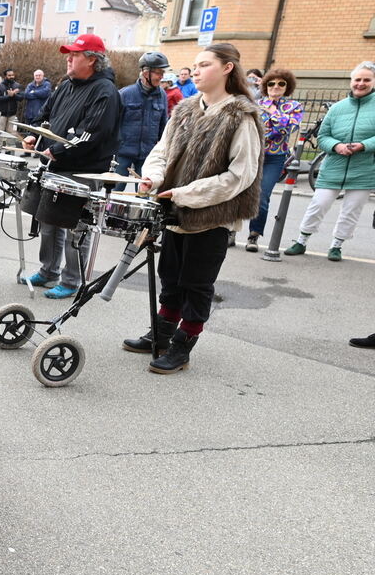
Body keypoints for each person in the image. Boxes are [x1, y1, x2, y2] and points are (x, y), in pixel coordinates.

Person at [123, 43, 262, 373]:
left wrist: (185, 193)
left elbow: (240, 175)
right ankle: (161, 334)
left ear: (227, 68)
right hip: (174, 210)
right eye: (194, 65)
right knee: (170, 277)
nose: (195, 70)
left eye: (204, 64)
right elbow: (161, 151)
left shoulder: (240, 115)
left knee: (196, 284)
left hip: (212, 216)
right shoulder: (184, 109)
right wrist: (152, 178)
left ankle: (183, 345)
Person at [20, 33, 123, 300]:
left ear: (92, 60)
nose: (69, 59)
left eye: (75, 55)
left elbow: (91, 133)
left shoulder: (106, 92)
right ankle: (48, 270)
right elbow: (46, 113)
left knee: (75, 227)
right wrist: (34, 133)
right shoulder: (67, 84)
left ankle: (71, 280)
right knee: (48, 221)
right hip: (56, 165)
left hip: (85, 169)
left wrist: (56, 150)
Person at [283, 61, 375, 262]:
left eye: (366, 80)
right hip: (333, 166)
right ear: (351, 81)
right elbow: (323, 136)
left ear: (373, 82)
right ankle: (301, 240)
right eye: (357, 79)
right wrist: (336, 146)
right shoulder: (337, 108)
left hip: (364, 169)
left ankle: (336, 246)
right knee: (318, 204)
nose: (361, 83)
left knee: (351, 211)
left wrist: (363, 145)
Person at [245, 68, 302, 251]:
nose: (275, 87)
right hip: (251, 154)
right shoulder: (255, 104)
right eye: (271, 83)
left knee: (262, 196)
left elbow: (287, 129)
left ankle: (254, 234)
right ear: (265, 85)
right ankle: (231, 231)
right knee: (240, 192)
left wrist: (271, 110)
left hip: (274, 158)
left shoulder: (294, 107)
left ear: (287, 87)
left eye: (281, 83)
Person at [114, 52, 170, 188]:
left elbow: (164, 126)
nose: (162, 77)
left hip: (148, 155)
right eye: (158, 73)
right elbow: (113, 125)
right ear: (146, 73)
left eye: (163, 72)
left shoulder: (162, 95)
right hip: (123, 153)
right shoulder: (125, 94)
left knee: (143, 195)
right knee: (116, 192)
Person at [0, 67, 21, 132]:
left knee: (10, 133)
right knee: (0, 132)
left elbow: (21, 98)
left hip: (12, 114)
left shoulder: (17, 85)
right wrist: (9, 96)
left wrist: (14, 95)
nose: (11, 77)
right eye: (9, 75)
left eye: (12, 75)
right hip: (2, 114)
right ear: (5, 76)